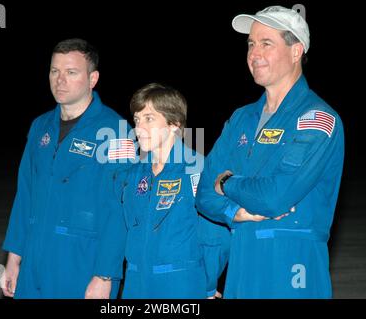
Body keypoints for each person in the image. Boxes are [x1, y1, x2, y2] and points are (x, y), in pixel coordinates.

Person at [196, 6, 344, 298]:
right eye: (251, 44)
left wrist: (226, 184)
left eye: (266, 43)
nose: (254, 53)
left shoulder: (316, 118)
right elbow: (203, 194)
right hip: (242, 262)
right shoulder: (241, 119)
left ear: (296, 50)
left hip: (292, 261)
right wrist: (233, 211)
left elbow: (275, 197)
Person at [0, 38, 135, 298]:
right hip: (35, 261)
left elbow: (119, 210)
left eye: (71, 72)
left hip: (83, 263)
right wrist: (13, 259)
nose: (60, 80)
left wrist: (105, 275)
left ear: (92, 78)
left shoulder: (117, 132)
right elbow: (25, 195)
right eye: (54, 71)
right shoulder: (40, 127)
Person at [106, 83, 230, 298]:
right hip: (136, 283)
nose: (139, 127)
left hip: (181, 284)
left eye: (149, 119)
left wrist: (208, 286)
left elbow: (216, 237)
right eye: (136, 119)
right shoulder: (134, 174)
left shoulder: (197, 170)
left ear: (174, 124)